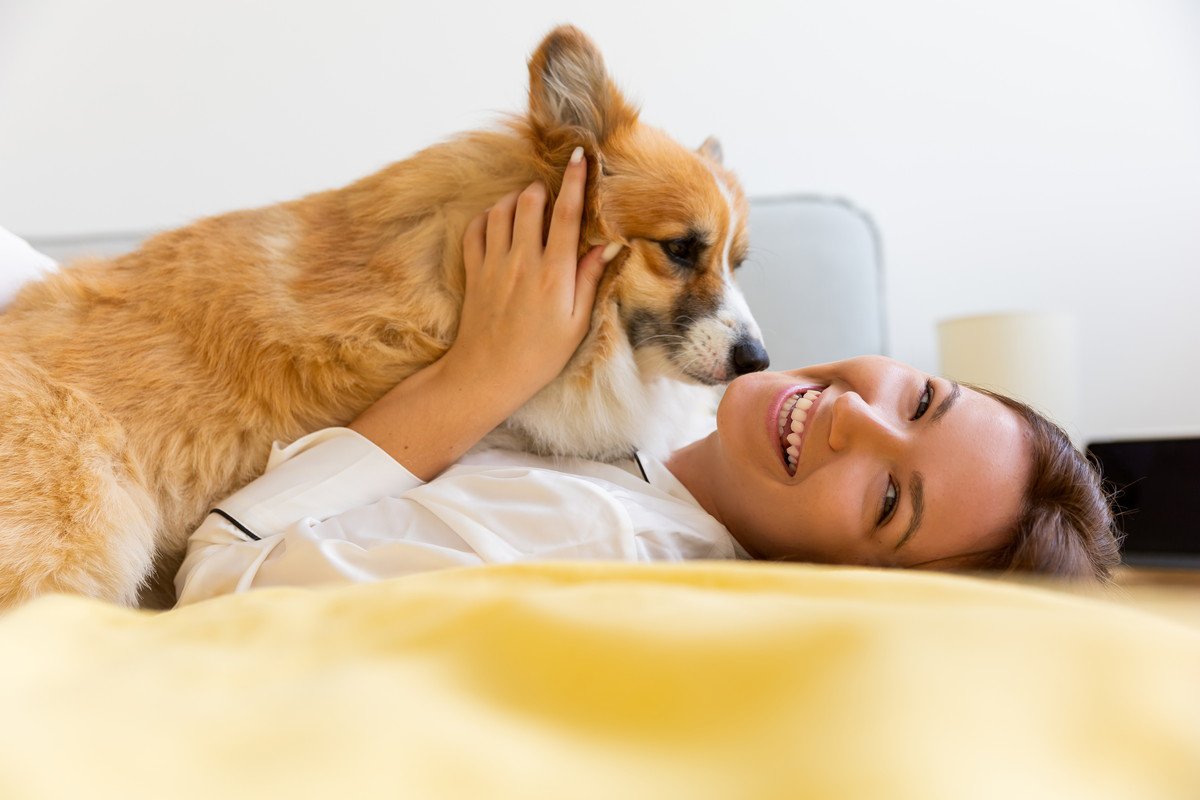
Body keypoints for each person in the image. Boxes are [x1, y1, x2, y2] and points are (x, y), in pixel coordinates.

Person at [174, 148, 1120, 606]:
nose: (853, 418)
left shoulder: (601, 538)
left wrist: (478, 380)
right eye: (918, 399)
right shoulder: (656, 422)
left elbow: (224, 577)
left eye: (885, 500)